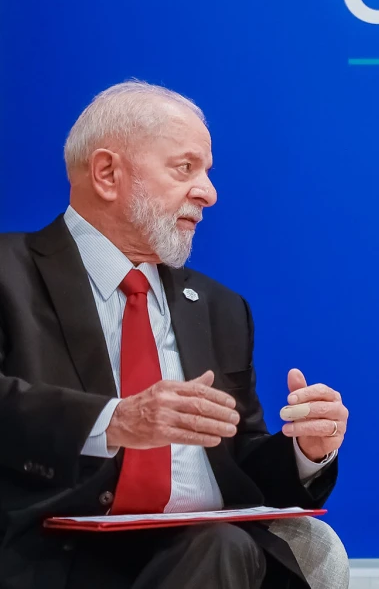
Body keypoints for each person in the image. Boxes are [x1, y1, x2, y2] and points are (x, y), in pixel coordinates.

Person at [0, 81, 350, 589]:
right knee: (221, 546)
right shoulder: (10, 274)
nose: (209, 193)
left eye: (207, 172)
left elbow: (241, 468)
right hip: (54, 556)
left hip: (209, 556)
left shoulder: (220, 308)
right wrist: (114, 421)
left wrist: (307, 451)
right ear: (107, 173)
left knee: (224, 545)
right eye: (185, 168)